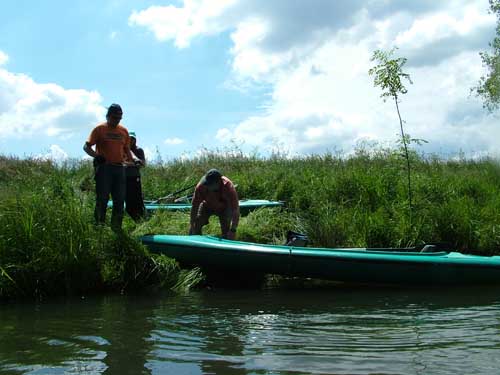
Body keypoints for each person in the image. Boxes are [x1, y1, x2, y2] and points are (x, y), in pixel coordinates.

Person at [83, 103, 133, 231]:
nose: (117, 120)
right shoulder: (99, 129)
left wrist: (134, 161)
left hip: (120, 169)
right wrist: (96, 155)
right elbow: (86, 146)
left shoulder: (124, 131)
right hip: (105, 169)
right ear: (108, 116)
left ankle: (116, 229)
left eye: (119, 117)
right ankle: (99, 228)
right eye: (115, 117)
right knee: (102, 199)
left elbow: (127, 150)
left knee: (119, 200)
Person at [189, 169, 240, 240]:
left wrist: (233, 230)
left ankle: (225, 241)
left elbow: (235, 210)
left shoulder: (229, 187)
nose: (206, 185)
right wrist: (191, 225)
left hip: (224, 208)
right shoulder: (201, 186)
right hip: (207, 205)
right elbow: (195, 206)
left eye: (209, 184)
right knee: (197, 223)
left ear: (218, 183)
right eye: (206, 183)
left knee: (227, 230)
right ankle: (197, 240)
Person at [125, 131, 146, 221]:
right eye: (129, 138)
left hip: (135, 176)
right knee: (128, 198)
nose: (131, 140)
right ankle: (131, 217)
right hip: (124, 177)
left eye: (133, 139)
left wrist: (128, 164)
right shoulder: (122, 149)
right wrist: (132, 164)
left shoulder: (138, 150)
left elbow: (142, 164)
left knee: (138, 197)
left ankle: (141, 217)